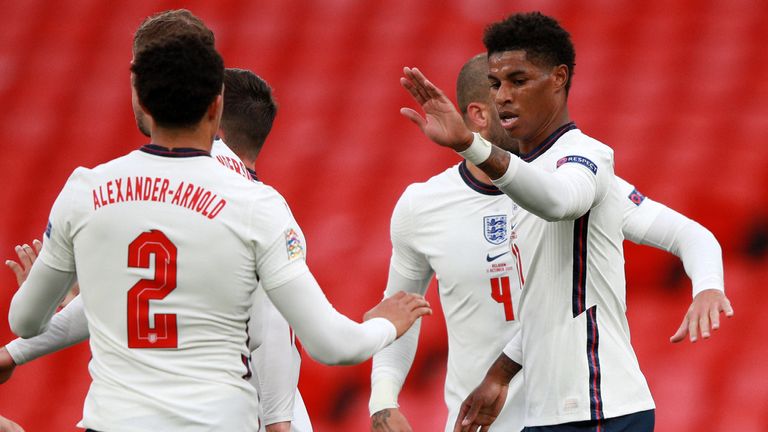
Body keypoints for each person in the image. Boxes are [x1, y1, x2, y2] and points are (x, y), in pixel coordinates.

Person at [8, 33, 430, 432]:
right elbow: (330, 345)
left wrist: (55, 309)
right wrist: (384, 324)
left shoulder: (87, 189)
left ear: (141, 102)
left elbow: (24, 319)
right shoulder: (254, 205)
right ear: (215, 106)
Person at [398, 12, 733, 432]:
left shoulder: (585, 158)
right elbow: (548, 302)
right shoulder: (526, 175)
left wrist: (707, 286)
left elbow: (559, 202)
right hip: (553, 412)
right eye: (498, 84)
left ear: (558, 78)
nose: (504, 96)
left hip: (597, 407)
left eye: (518, 82)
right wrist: (499, 375)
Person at [1, 69, 312, 432]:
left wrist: (277, 424)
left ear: (213, 119)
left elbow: (274, 325)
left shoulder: (232, 206)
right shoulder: (236, 205)